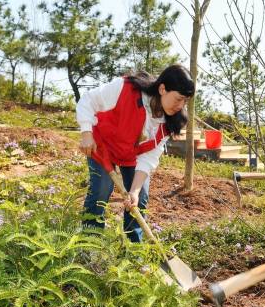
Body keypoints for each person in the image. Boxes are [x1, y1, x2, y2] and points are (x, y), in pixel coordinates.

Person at [76, 65, 194, 242]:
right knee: (101, 189)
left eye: (185, 101)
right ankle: (89, 243)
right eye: (178, 99)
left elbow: (149, 157)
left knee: (140, 197)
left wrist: (135, 191)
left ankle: (134, 250)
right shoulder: (125, 89)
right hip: (102, 145)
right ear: (162, 89)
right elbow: (88, 100)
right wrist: (86, 133)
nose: (181, 106)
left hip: (132, 156)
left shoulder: (170, 122)